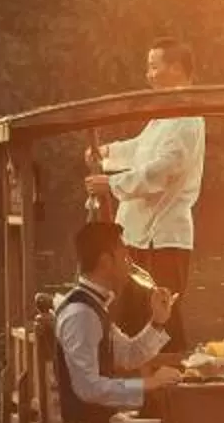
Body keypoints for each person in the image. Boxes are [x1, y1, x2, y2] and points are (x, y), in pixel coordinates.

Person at [85, 40, 204, 332]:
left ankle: (169, 375)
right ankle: (135, 376)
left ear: (175, 69)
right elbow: (141, 149)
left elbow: (162, 171)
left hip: (163, 237)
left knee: (163, 319)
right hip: (138, 235)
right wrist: (107, 154)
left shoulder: (188, 117)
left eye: (154, 66)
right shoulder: (165, 115)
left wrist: (112, 184)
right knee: (131, 315)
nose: (148, 74)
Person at [53, 220, 186, 423]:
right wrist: (149, 383)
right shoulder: (81, 314)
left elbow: (128, 355)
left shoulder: (95, 307)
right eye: (124, 258)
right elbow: (88, 388)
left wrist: (158, 321)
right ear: (106, 262)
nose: (129, 266)